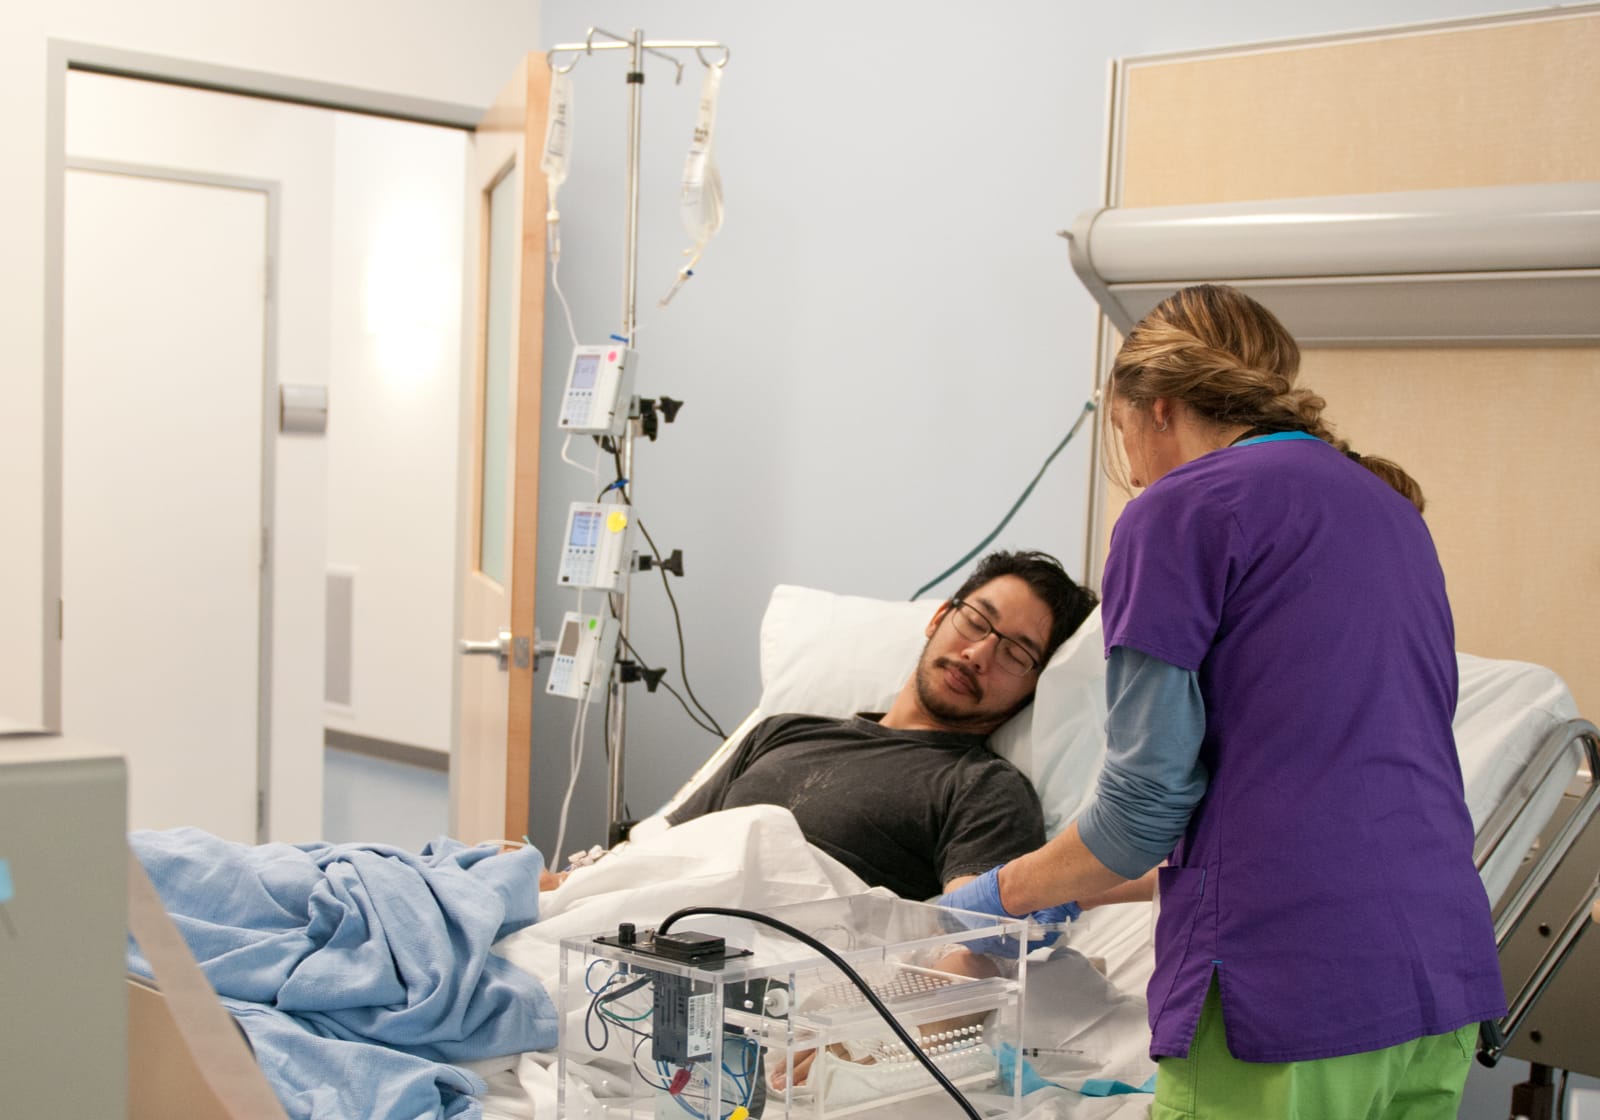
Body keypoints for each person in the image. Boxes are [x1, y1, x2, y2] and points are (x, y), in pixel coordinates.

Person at [940, 285, 1505, 1119]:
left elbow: (1141, 816)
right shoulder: (1389, 513)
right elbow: (1294, 805)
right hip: (1436, 978)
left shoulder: (1178, 511)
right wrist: (1071, 885)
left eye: (1123, 437)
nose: (1130, 470)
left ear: (1154, 407)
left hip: (1284, 994)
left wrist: (994, 898)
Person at [662, 549, 1099, 901]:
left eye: (1015, 655)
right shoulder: (780, 731)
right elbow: (662, 854)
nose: (979, 654)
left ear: (1035, 687)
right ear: (938, 618)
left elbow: (975, 942)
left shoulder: (984, 788)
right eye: (976, 622)